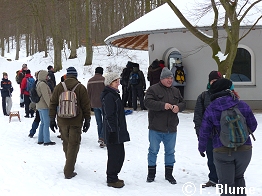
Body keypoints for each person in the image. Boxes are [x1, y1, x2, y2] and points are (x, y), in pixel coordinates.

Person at [198, 78, 257, 196]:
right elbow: (253, 125)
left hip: (222, 150)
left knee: (226, 185)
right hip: (244, 150)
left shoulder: (211, 108)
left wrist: (202, 148)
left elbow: (204, 131)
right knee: (239, 178)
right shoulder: (242, 104)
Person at [144, 67, 186, 184]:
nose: (170, 80)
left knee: (170, 152)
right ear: (162, 79)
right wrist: (163, 105)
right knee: (153, 150)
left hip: (171, 127)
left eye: (171, 78)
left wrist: (179, 107)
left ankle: (169, 174)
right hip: (156, 127)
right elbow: (147, 102)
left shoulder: (176, 91)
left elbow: (183, 103)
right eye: (167, 78)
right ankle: (151, 174)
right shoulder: (152, 89)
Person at [49, 66, 91, 179]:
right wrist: (87, 119)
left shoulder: (59, 87)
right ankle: (68, 171)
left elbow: (52, 104)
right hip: (76, 120)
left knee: (66, 142)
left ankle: (69, 162)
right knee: (74, 144)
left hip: (62, 120)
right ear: (76, 76)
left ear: (66, 76)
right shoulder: (81, 87)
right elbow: (86, 105)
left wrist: (51, 119)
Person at [101, 72, 130, 188]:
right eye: (115, 81)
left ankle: (114, 176)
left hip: (118, 130)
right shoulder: (109, 96)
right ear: (110, 83)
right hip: (113, 131)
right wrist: (112, 131)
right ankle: (111, 179)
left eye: (118, 80)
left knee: (120, 155)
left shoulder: (114, 94)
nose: (118, 83)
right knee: (114, 156)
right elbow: (109, 115)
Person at [193, 70, 222, 187]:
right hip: (209, 133)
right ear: (209, 82)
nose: (215, 83)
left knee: (225, 158)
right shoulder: (203, 96)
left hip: (224, 133)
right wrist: (200, 133)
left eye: (217, 81)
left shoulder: (227, 95)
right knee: (211, 158)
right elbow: (198, 116)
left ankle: (227, 178)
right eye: (213, 81)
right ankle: (213, 179)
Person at [36, 70, 56, 146]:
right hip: (44, 106)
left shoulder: (38, 83)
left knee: (43, 123)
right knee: (46, 123)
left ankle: (40, 139)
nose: (48, 77)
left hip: (39, 106)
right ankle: (46, 140)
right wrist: (50, 106)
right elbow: (46, 96)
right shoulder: (43, 84)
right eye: (46, 75)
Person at [87, 67, 106, 148]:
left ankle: (100, 138)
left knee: (99, 122)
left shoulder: (90, 81)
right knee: (105, 121)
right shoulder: (104, 80)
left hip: (94, 104)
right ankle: (103, 138)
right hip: (103, 103)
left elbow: (88, 94)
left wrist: (89, 104)